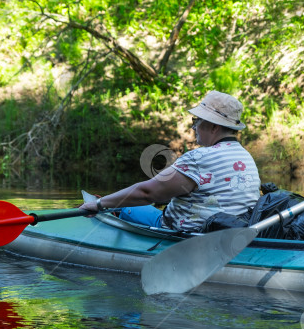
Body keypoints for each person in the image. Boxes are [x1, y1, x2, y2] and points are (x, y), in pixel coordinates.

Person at [79, 90, 260, 232]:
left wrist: (100, 205)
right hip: (225, 232)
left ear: (214, 126)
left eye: (197, 120)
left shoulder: (198, 158)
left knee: (125, 208)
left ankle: (110, 212)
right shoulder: (246, 157)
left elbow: (146, 193)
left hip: (185, 233)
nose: (193, 126)